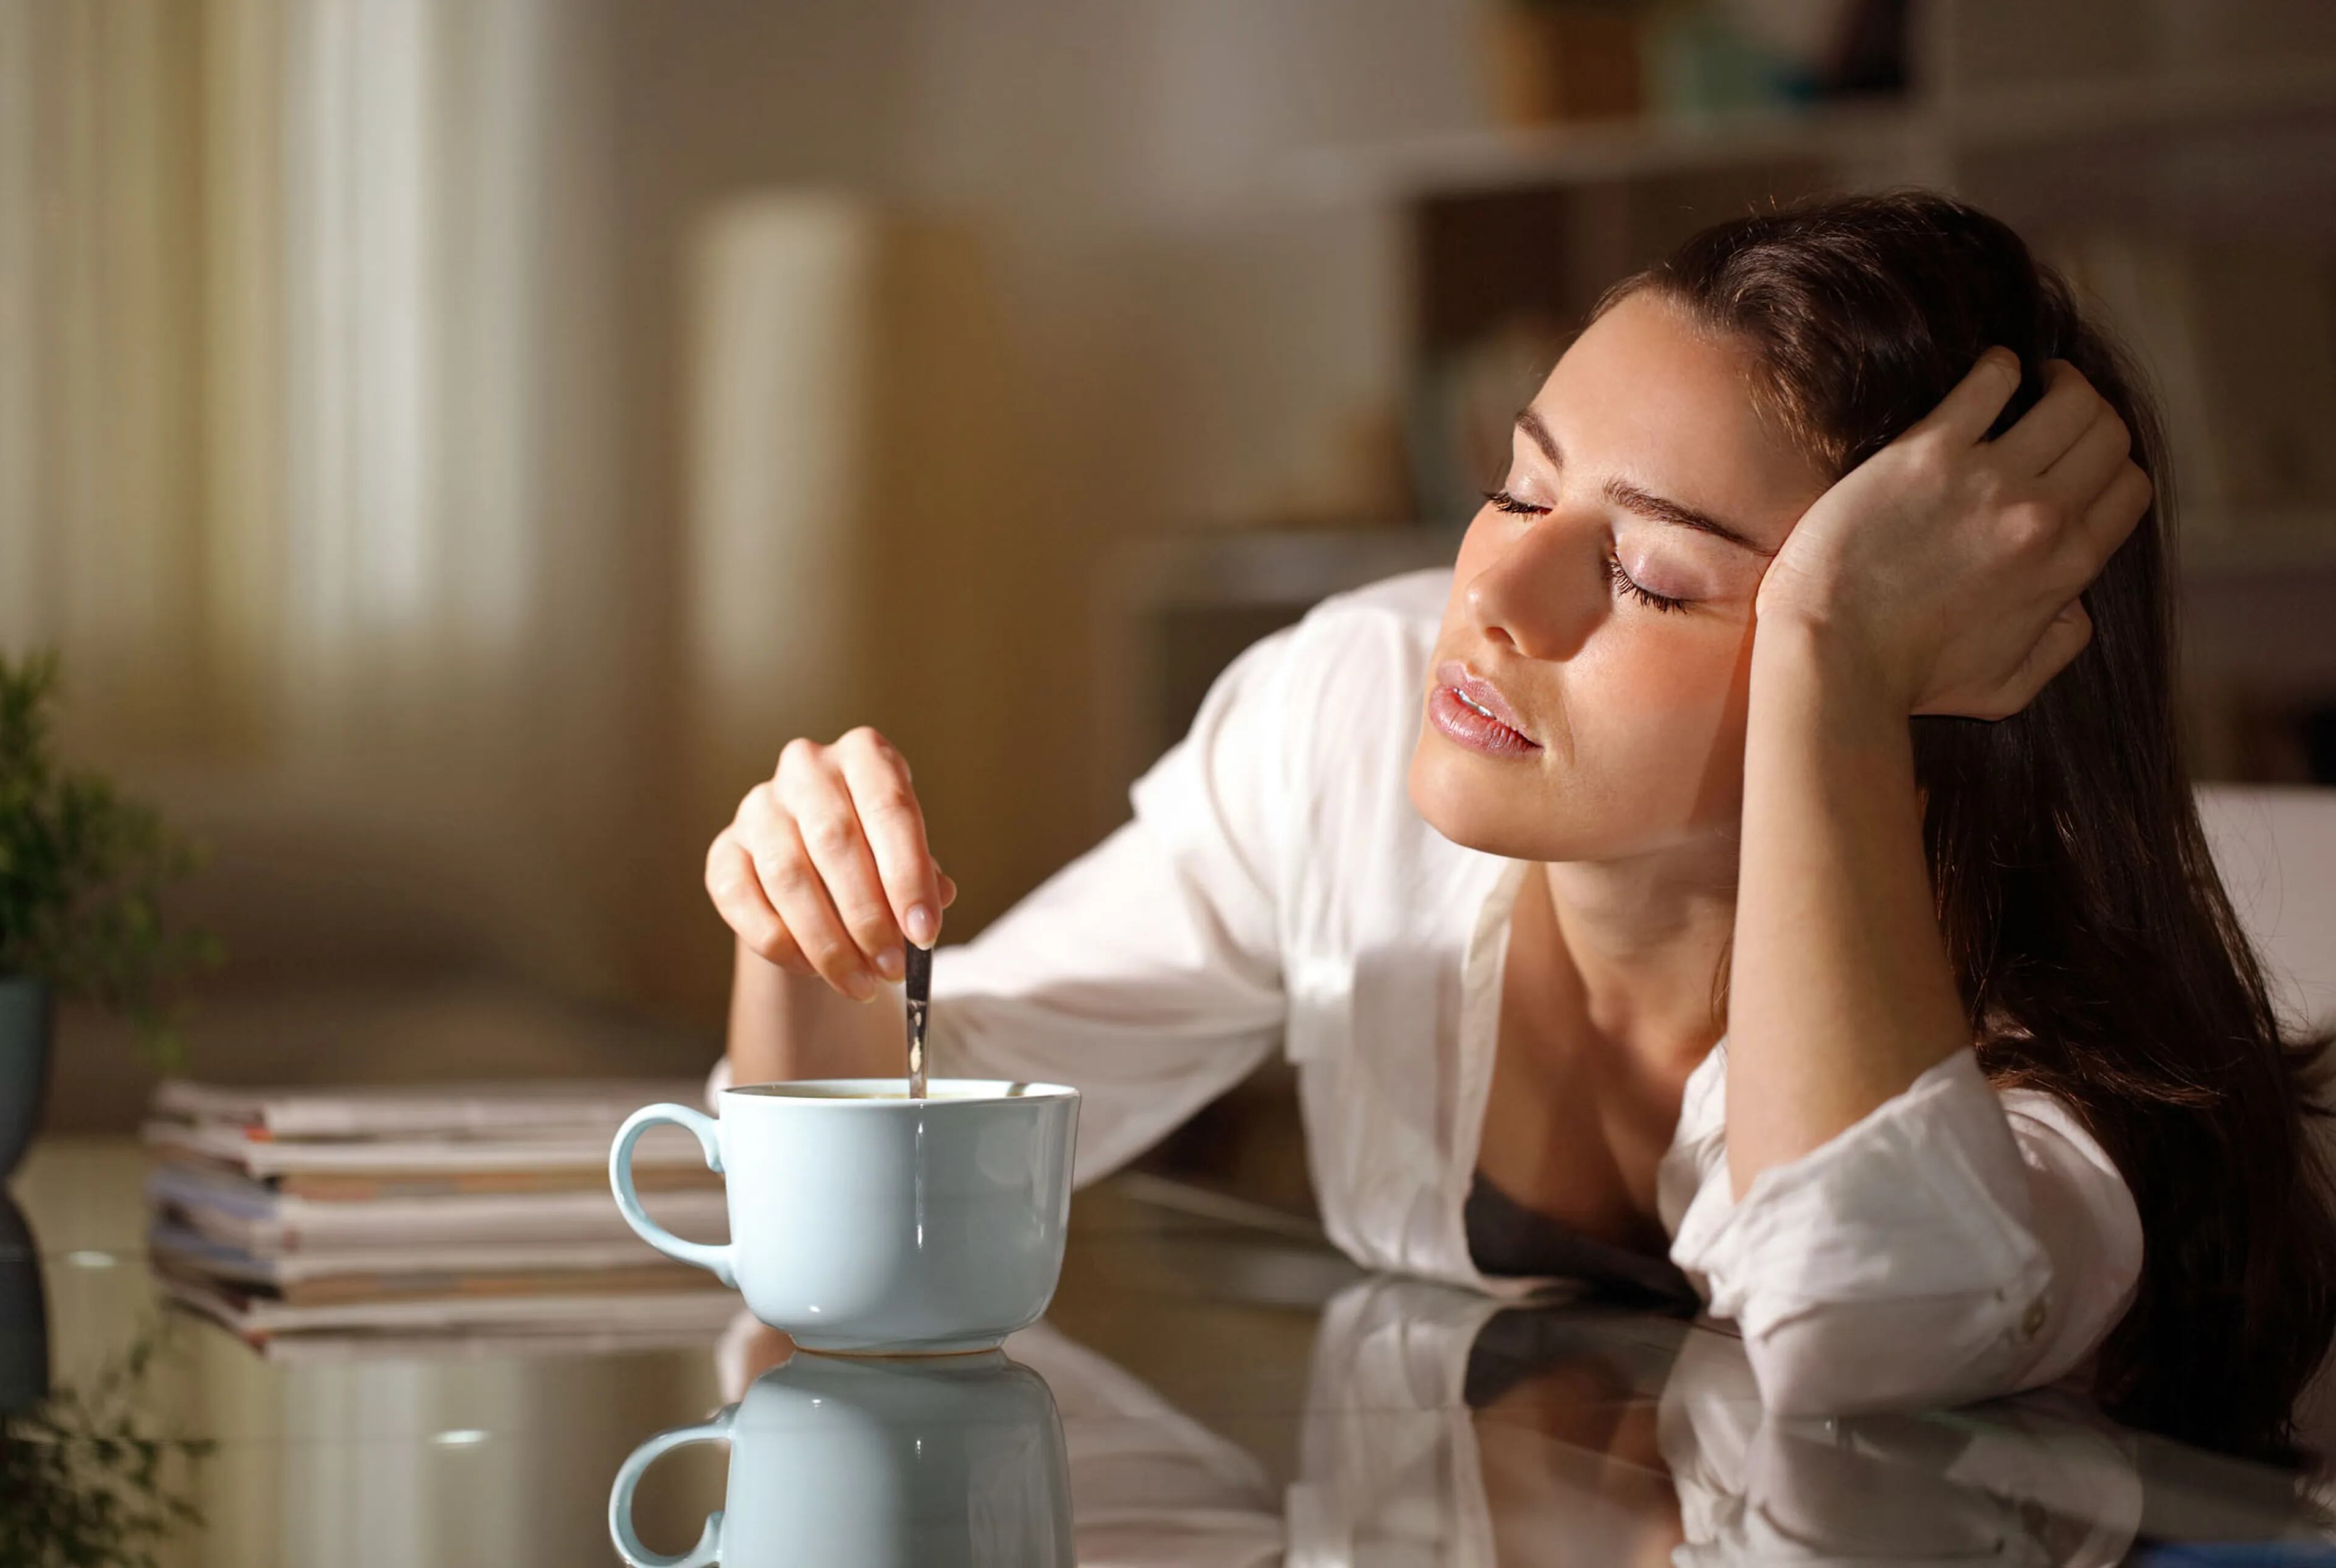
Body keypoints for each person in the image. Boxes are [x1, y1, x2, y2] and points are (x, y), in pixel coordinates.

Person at [700, 189, 2336, 1461]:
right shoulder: (1344, 721)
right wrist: (802, 931)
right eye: (1518, 484)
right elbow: (882, 1158)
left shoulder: (2064, 1068)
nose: (1488, 595)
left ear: (1932, 679)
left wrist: (1830, 670)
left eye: (1649, 575)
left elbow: (1866, 1331)